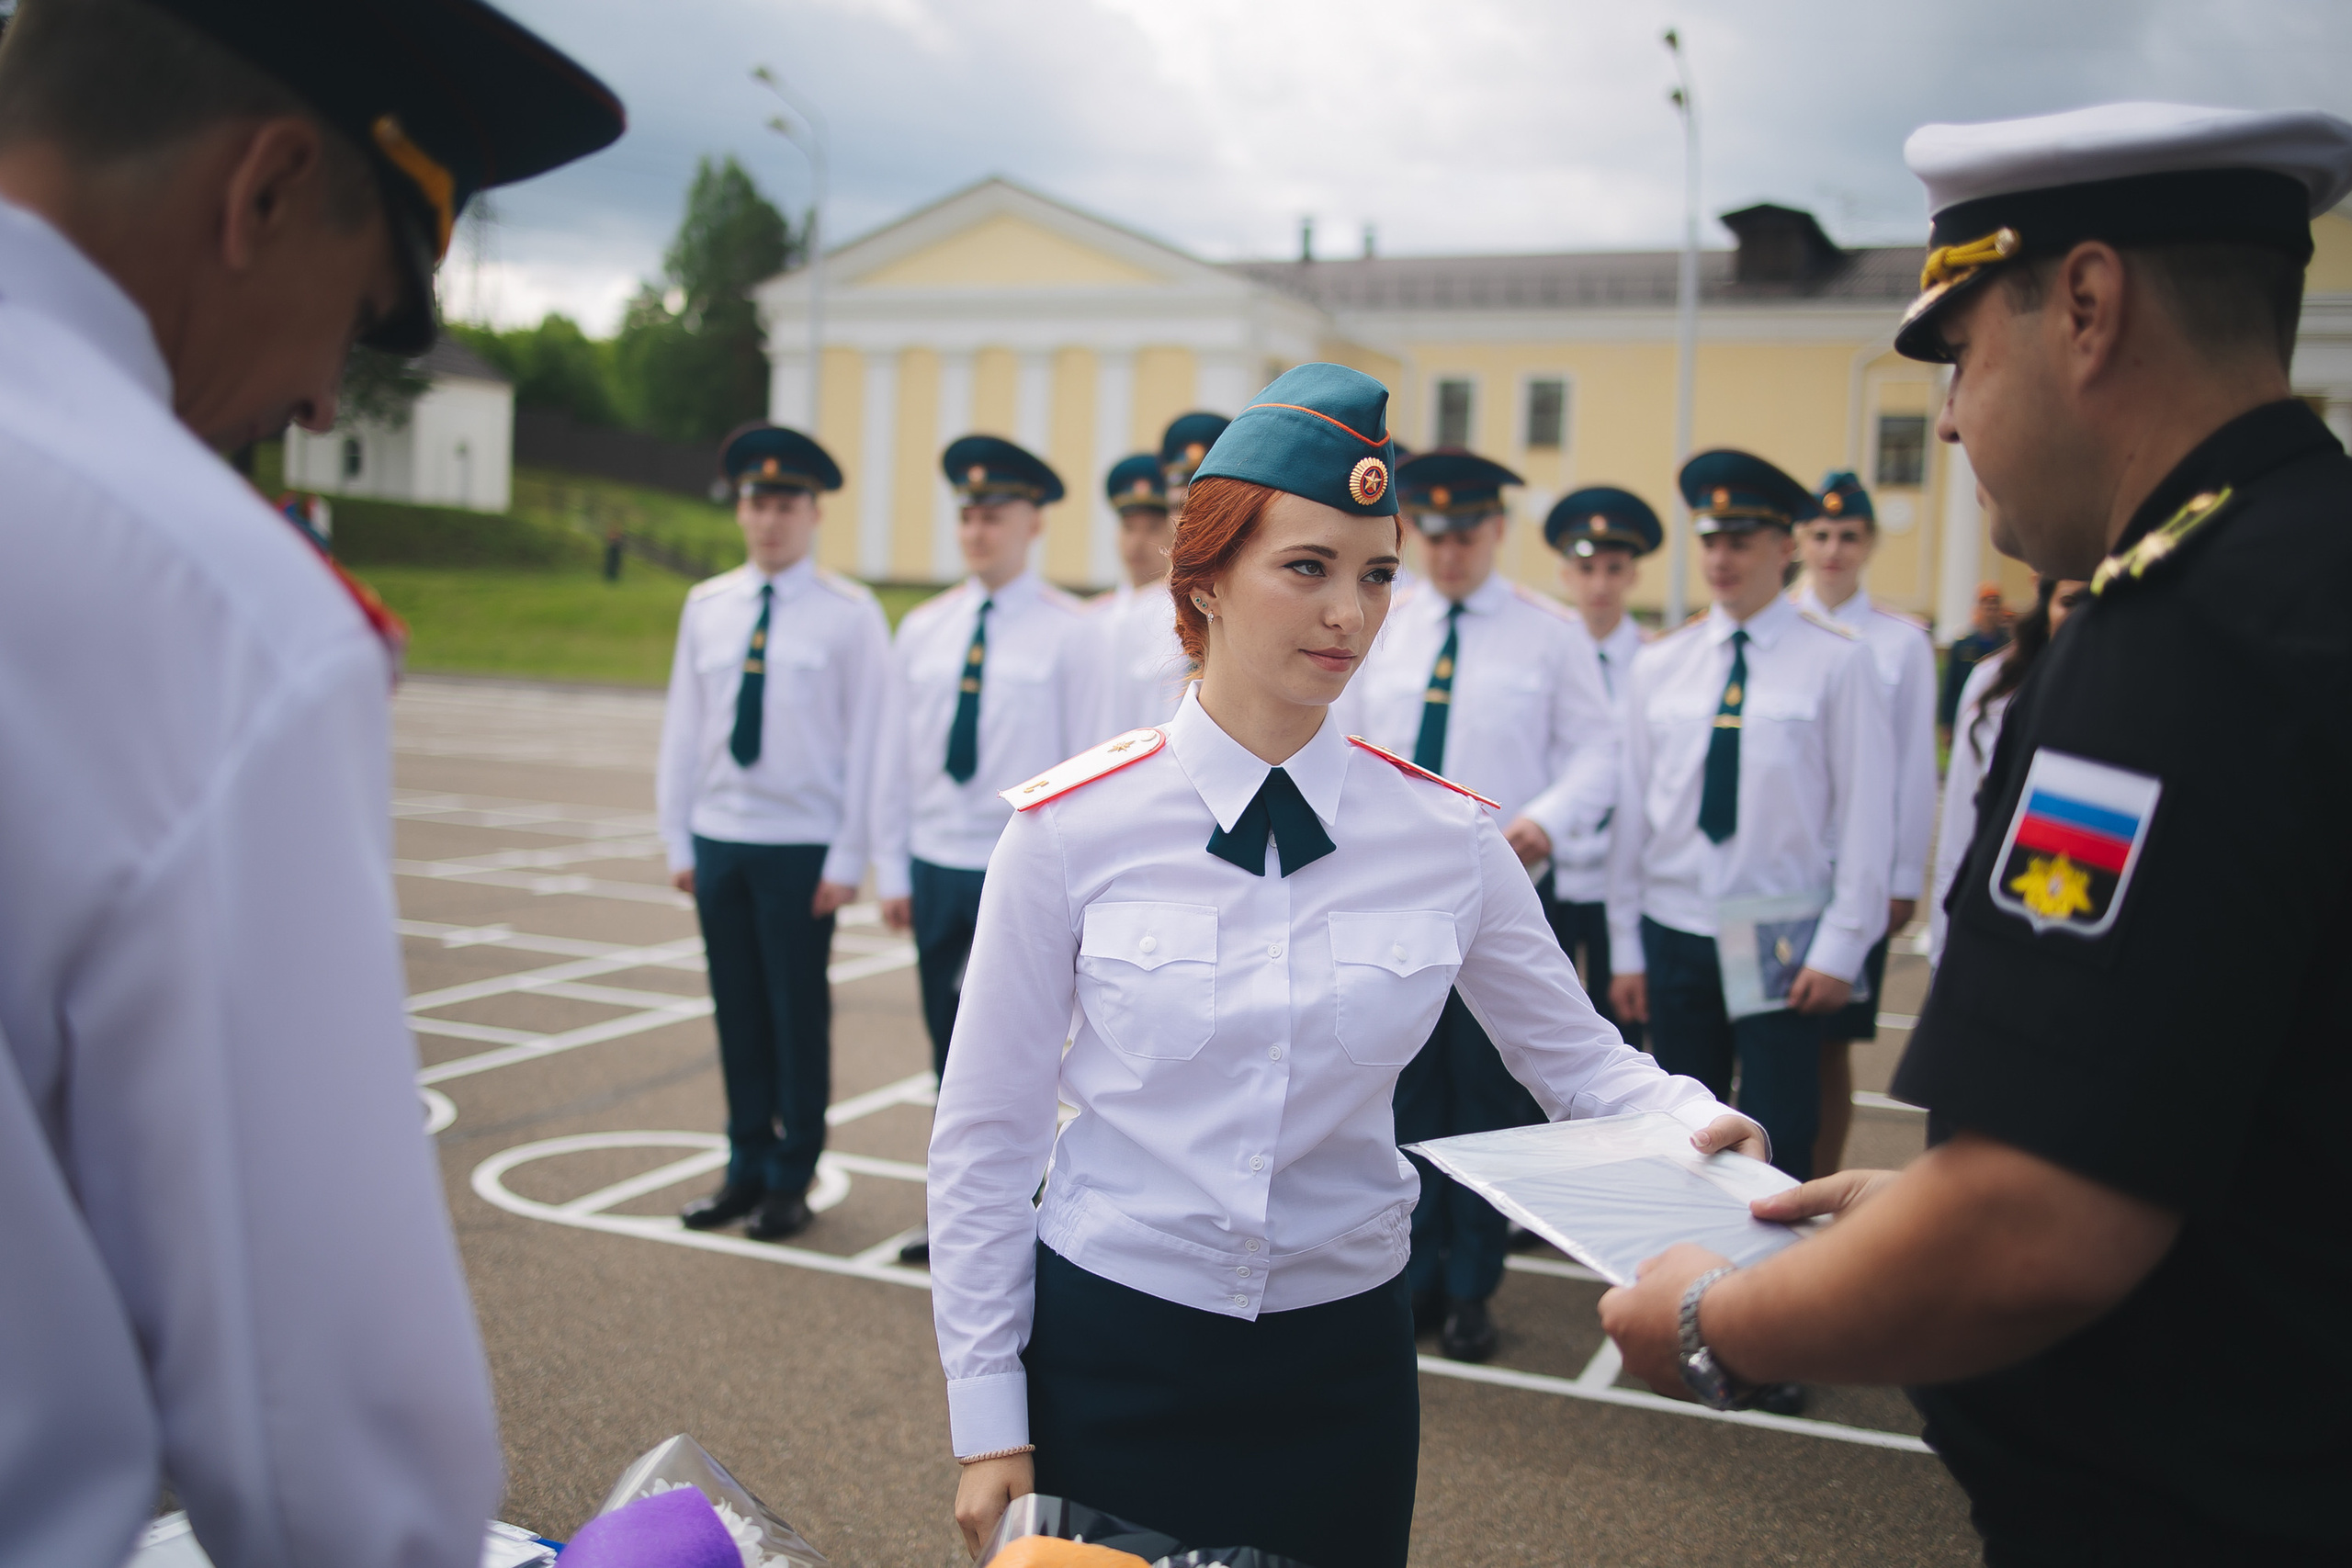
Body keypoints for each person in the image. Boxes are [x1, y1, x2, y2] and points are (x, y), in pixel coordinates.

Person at [1596, 102, 2352, 1563]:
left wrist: (1709, 1314)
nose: (1944, 420)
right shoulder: (2302, 565)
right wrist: (1940, 1189)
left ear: (2084, 303)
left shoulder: (2182, 631)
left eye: (1954, 354)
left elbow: (2037, 1229)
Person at [926, 364, 1766, 1568]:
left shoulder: (1448, 835)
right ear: (1205, 578)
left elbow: (1581, 1062)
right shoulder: (1070, 827)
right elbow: (986, 1139)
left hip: (1341, 1366)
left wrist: (1712, 1134)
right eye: (1307, 567)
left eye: (1376, 574)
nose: (1350, 614)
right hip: (1112, 1343)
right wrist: (987, 1416)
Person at [0, 1, 620, 1564]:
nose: (329, 404)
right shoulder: (208, 612)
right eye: (359, 314)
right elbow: (327, 1464)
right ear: (265, 188)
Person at [1336, 447, 1619, 1362]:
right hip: (1393, 897)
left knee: (1489, 1096)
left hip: (1500, 898)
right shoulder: (1391, 621)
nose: (1449, 553)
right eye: (1435, 535)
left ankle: (1472, 1286)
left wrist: (1545, 823)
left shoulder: (1548, 633)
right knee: (1404, 1087)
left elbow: (1597, 754)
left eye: (1467, 534)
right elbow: (1353, 740)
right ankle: (1412, 1274)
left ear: (1496, 530)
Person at [1605, 451, 1894, 1181]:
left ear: (1784, 545)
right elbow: (1634, 812)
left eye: (1741, 540)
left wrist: (1844, 944)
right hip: (1675, 925)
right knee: (1681, 1133)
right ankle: (1684, 1277)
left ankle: (1770, 1290)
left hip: (1782, 934)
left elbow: (1867, 813)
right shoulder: (1659, 663)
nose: (1721, 558)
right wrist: (1626, 944)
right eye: (1710, 540)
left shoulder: (1837, 662)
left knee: (1780, 1130)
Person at [659, 423, 889, 1242]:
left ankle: (794, 1177)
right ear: (740, 511)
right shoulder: (708, 606)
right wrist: (679, 839)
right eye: (756, 503)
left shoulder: (850, 613)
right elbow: (685, 727)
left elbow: (870, 741)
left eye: (785, 503)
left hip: (801, 845)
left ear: (813, 511)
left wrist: (849, 854)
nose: (768, 519)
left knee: (796, 1014)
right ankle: (745, 1164)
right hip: (722, 837)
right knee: (737, 1011)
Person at [876, 434, 1091, 1263]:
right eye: (967, 514)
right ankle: (963, 1220)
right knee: (952, 1057)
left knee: (1031, 1054)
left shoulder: (1072, 632)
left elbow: (1083, 763)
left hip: (1022, 873)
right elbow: (896, 758)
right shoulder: (924, 628)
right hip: (936, 863)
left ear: (1032, 522)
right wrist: (891, 865)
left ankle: (1035, 1213)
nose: (977, 529)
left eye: (994, 513)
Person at [1792, 471, 1938, 1176]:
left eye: (1848, 535)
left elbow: (1911, 768)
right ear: (1799, 541)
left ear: (1870, 543)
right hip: (1786, 870)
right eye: (1819, 535)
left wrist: (1900, 876)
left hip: (1856, 870)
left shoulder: (1901, 642)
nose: (1832, 549)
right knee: (1770, 1043)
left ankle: (1822, 1179)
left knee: (1829, 1044)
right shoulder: (1777, 625)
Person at [1540, 485, 1663, 1049]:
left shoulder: (1659, 660)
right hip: (1554, 870)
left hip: (1627, 872)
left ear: (1633, 575)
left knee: (1626, 1030)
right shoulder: (1542, 649)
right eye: (1586, 568)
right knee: (1542, 1028)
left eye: (1614, 569)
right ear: (1566, 573)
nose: (1599, 585)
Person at [1928, 571, 2083, 966]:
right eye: (2070, 601)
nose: (2086, 615)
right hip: (1999, 910)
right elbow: (1959, 834)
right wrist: (1943, 948)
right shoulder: (1996, 685)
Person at [1081, 452, 1190, 739]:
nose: (1137, 543)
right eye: (1128, 528)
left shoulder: (1184, 618)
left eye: (1152, 528)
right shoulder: (1092, 618)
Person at [1937, 582, 2009, 739]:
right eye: (1986, 607)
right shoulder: (1963, 645)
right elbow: (1951, 686)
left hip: (1996, 714)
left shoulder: (2008, 645)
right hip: (1967, 711)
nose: (1990, 612)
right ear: (1978, 610)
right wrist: (1947, 723)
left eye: (1994, 607)